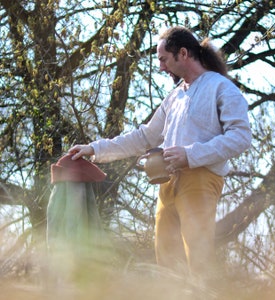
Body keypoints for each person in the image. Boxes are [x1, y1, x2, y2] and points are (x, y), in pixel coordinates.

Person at [68, 26, 252, 276]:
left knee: (198, 259)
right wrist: (94, 148)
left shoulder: (222, 88)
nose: (161, 67)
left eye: (164, 59)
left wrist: (189, 155)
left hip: (201, 179)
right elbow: (144, 136)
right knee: (165, 261)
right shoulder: (174, 98)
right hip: (167, 184)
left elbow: (240, 137)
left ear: (183, 54)